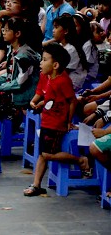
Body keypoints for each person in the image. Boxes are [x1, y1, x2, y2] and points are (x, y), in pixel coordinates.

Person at [24, 42, 83, 196]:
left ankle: (80, 160)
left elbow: (72, 101)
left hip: (57, 124)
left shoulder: (63, 81)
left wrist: (68, 121)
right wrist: (39, 104)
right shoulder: (48, 77)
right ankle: (36, 185)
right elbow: (51, 99)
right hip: (46, 121)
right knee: (43, 153)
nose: (41, 63)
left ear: (55, 64)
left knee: (47, 154)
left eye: (44, 60)